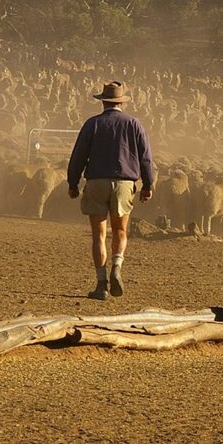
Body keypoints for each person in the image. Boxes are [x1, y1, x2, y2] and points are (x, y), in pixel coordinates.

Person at [67, 81, 155, 300]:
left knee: (98, 235)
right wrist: (148, 184)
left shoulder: (92, 124)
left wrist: (72, 182)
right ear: (121, 102)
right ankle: (117, 265)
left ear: (103, 102)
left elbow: (78, 155)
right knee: (120, 231)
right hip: (124, 183)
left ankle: (101, 284)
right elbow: (146, 157)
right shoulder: (134, 124)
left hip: (96, 181)